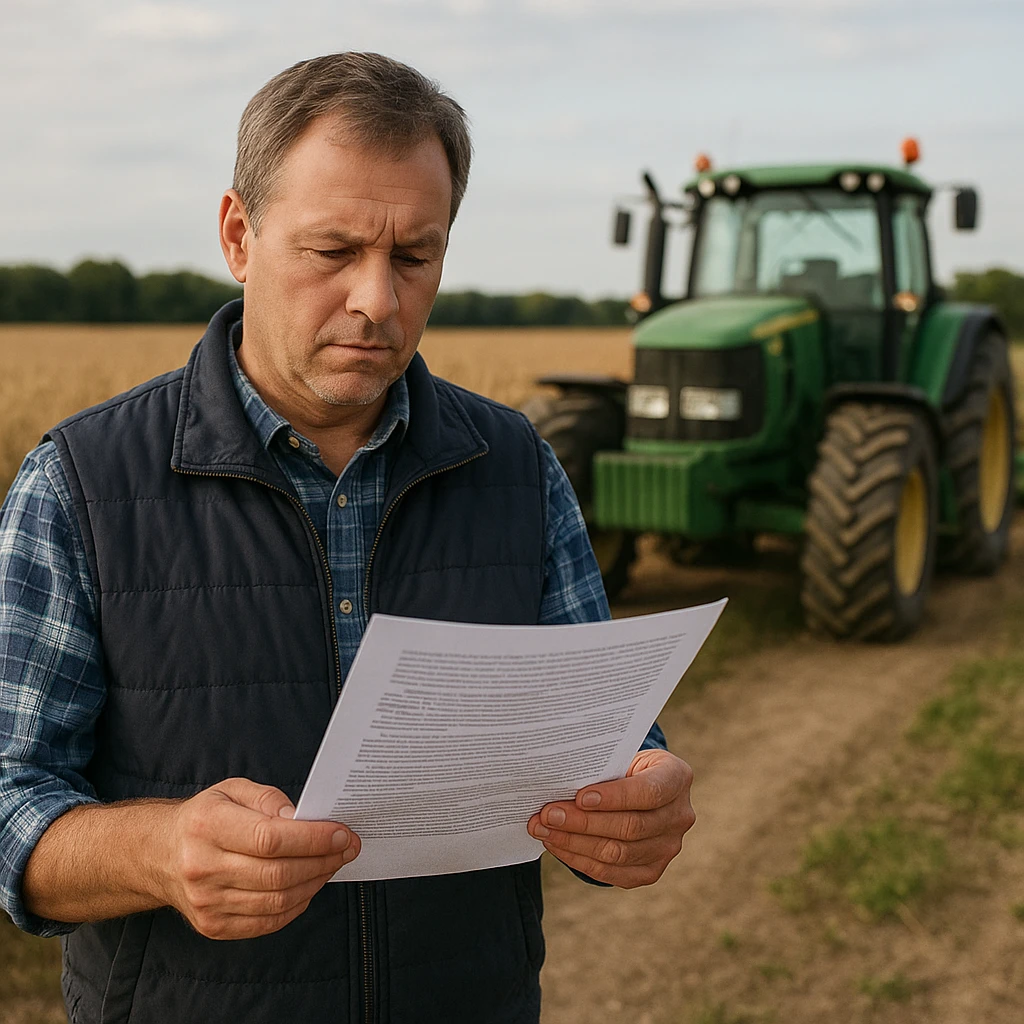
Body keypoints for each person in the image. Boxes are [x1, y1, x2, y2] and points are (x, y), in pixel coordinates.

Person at [0, 52, 695, 1023]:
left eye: (416, 255)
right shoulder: (78, 484)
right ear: (239, 236)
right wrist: (155, 849)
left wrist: (638, 795)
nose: (378, 299)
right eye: (333, 251)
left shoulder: (518, 468)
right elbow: (9, 798)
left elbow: (605, 741)